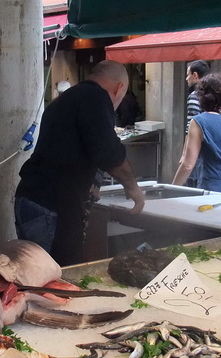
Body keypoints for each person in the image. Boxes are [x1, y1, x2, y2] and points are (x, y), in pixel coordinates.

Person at [14, 60, 146, 266]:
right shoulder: (96, 98)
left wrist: (92, 184)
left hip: (33, 199)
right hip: (53, 205)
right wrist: (133, 189)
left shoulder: (66, 98)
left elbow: (73, 148)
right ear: (120, 87)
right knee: (58, 275)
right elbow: (109, 152)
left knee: (35, 272)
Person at [185, 61, 210, 186]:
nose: (186, 78)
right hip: (211, 151)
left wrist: (185, 154)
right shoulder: (214, 96)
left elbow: (191, 128)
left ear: (195, 75)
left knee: (194, 187)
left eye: (188, 75)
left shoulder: (195, 96)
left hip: (198, 151)